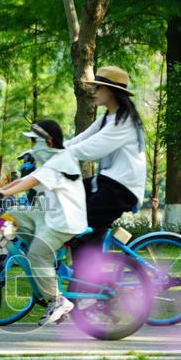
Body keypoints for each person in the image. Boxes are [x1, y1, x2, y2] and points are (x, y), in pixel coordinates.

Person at [0, 120, 87, 326]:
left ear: (48, 142)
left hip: (64, 220)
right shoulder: (51, 160)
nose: (32, 146)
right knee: (9, 215)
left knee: (38, 254)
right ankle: (1, 251)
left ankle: (58, 300)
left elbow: (31, 182)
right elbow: (23, 181)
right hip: (47, 215)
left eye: (34, 141)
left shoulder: (61, 160)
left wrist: (4, 192)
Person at [65, 66, 146, 249]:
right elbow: (80, 139)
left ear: (111, 91)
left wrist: (61, 154)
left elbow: (92, 148)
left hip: (122, 188)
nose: (94, 91)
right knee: (70, 195)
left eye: (98, 87)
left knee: (86, 226)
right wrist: (52, 149)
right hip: (108, 183)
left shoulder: (123, 121)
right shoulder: (107, 118)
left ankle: (90, 275)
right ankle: (83, 273)